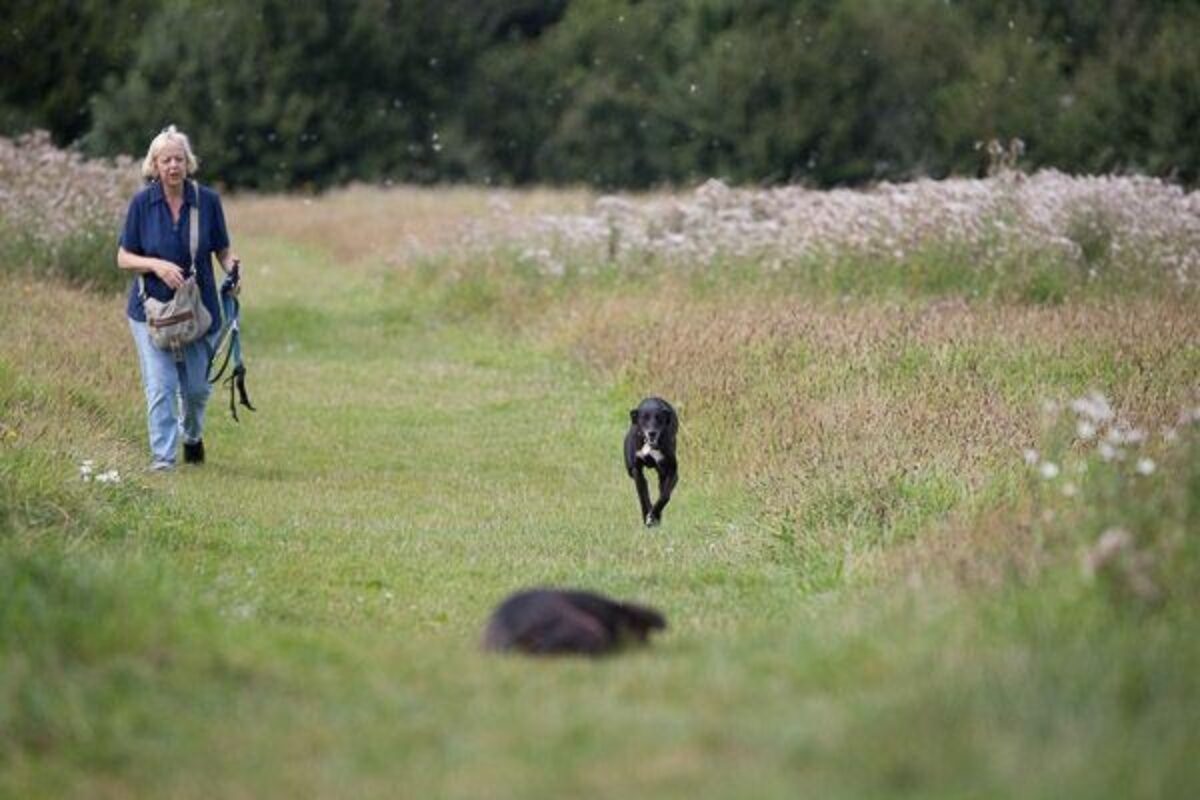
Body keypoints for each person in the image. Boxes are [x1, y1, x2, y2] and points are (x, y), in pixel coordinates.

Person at [117, 125, 240, 471]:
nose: (173, 165)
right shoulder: (142, 204)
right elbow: (123, 257)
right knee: (160, 387)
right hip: (150, 312)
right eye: (166, 159)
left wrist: (232, 270)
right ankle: (163, 460)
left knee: (198, 390)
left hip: (199, 312)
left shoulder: (208, 201)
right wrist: (155, 265)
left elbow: (223, 250)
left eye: (179, 159)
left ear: (188, 163)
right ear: (154, 165)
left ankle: (192, 435)